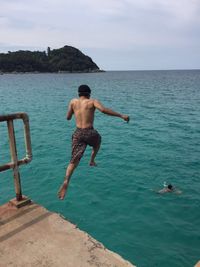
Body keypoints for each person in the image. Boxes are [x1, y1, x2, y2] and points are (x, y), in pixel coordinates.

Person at [58, 84, 129, 200]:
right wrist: (121, 115)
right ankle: (92, 160)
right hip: (89, 132)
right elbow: (104, 110)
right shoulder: (92, 101)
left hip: (78, 133)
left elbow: (68, 118)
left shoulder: (73, 102)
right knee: (98, 141)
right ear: (89, 94)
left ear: (78, 94)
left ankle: (66, 181)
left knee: (73, 160)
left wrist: (72, 112)